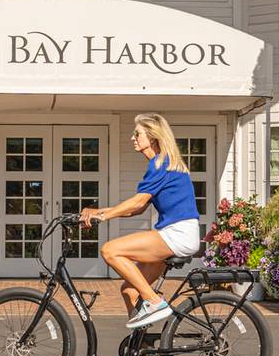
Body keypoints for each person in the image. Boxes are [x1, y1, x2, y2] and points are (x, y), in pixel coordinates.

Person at [80, 113, 200, 329]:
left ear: (152, 136)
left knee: (110, 250)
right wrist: (97, 212)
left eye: (137, 134)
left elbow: (137, 202)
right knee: (130, 290)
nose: (132, 138)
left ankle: (154, 302)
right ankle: (142, 347)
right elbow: (136, 209)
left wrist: (103, 216)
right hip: (175, 234)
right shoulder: (161, 164)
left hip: (177, 234)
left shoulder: (161, 164)